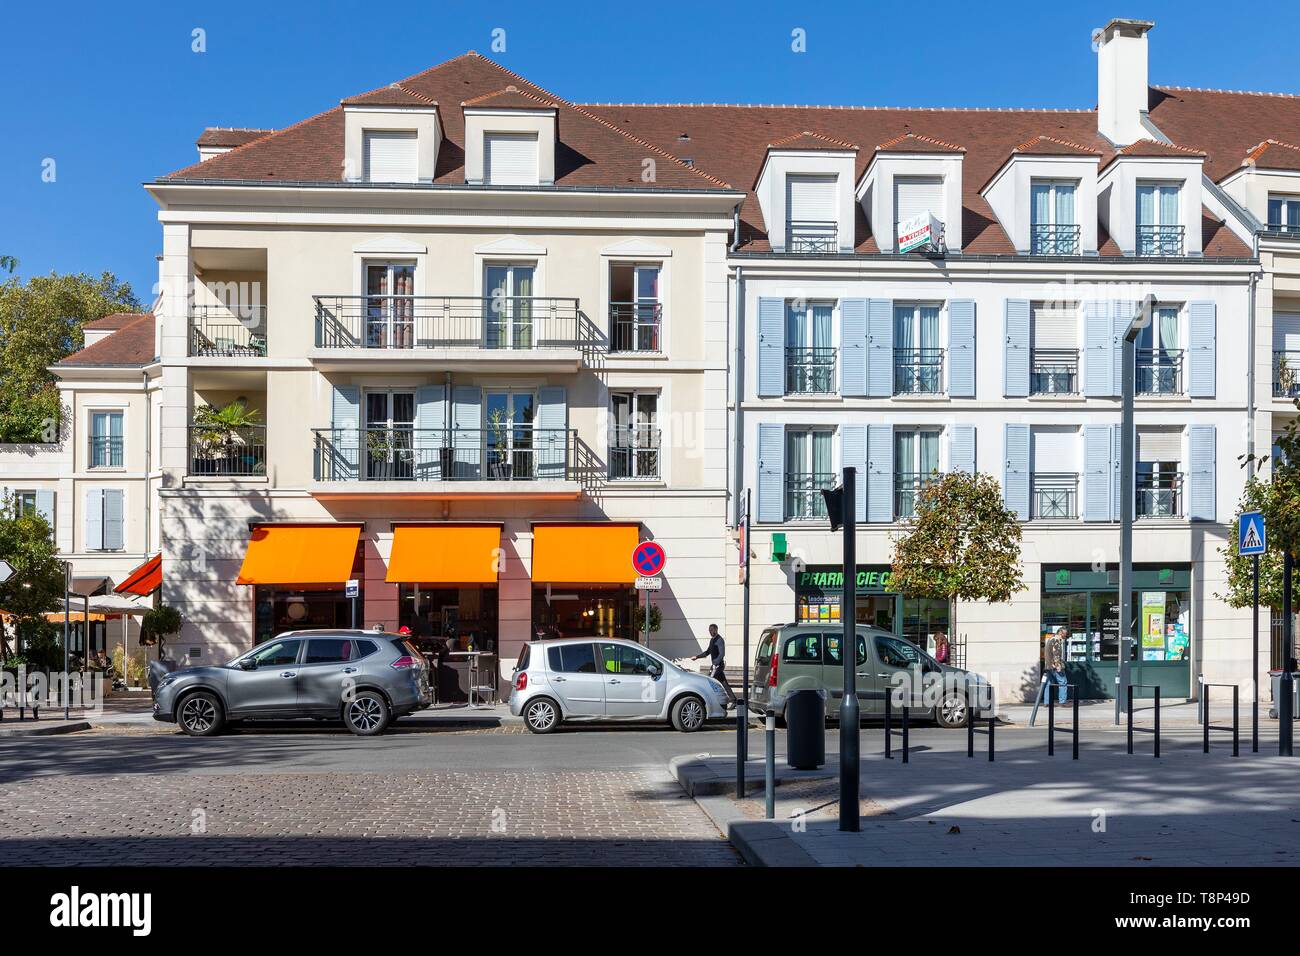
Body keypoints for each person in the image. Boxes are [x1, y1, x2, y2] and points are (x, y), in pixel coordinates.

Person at [692, 623, 736, 707]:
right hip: (715, 665)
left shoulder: (719, 640)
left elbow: (722, 654)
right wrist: (697, 657)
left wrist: (715, 664)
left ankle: (708, 701)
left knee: (709, 681)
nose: (711, 632)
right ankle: (734, 700)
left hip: (718, 666)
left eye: (712, 630)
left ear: (716, 630)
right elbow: (707, 652)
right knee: (724, 683)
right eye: (709, 630)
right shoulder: (712, 640)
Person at [1042, 626, 1069, 705]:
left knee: (1048, 683)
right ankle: (1062, 702)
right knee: (1063, 682)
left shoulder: (1051, 639)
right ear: (1060, 632)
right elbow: (1056, 654)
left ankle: (1047, 702)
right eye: (1065, 634)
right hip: (1054, 666)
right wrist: (1058, 666)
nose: (1065, 636)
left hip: (1048, 666)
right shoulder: (1056, 640)